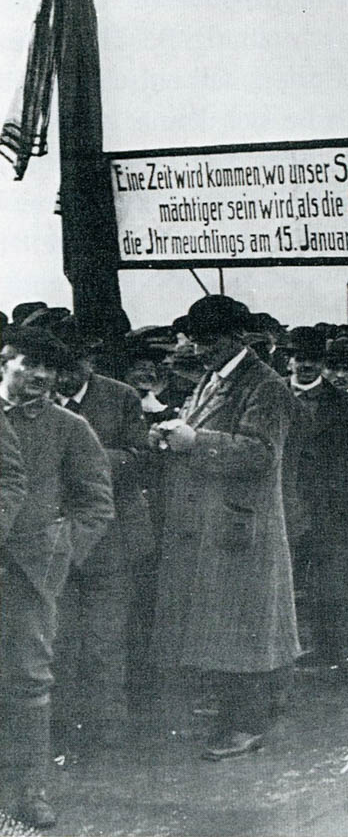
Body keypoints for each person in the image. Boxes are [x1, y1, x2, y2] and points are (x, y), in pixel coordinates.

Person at [147, 295, 299, 762]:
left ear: (237, 337)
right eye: (196, 340)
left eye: (209, 341)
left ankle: (248, 723)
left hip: (241, 521)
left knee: (245, 624)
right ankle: (242, 713)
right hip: (215, 522)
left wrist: (195, 440)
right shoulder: (214, 379)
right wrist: (169, 434)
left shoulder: (265, 386)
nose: (199, 349)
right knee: (227, 622)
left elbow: (261, 454)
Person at [0, 327, 114, 826]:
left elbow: (97, 504)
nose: (42, 376)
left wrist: (58, 553)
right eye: (30, 363)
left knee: (28, 678)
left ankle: (30, 790)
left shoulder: (69, 427)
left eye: (50, 368)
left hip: (27, 574)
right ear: (4, 362)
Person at [50, 330, 154, 752]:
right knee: (58, 639)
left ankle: (106, 732)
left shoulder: (120, 396)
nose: (63, 378)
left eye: (73, 367)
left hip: (114, 538)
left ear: (89, 361)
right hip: (57, 539)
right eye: (56, 369)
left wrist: (82, 459)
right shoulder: (36, 398)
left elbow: (141, 456)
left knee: (104, 641)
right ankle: (62, 729)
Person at [281, 327, 348, 678]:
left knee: (332, 580)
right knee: (285, 579)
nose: (306, 365)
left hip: (331, 504)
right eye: (299, 358)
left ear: (321, 363)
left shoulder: (347, 405)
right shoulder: (274, 396)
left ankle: (333, 650)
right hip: (284, 499)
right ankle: (286, 650)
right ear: (289, 361)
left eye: (313, 359)